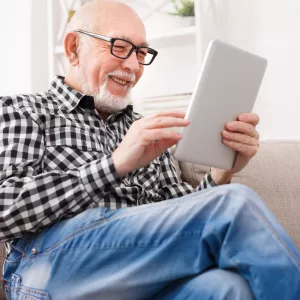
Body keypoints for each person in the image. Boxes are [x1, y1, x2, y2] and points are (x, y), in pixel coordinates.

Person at [0, 0, 299, 299]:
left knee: (227, 288)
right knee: (234, 204)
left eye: (141, 53)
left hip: (139, 271)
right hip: (47, 266)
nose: (132, 65)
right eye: (119, 46)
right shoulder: (24, 110)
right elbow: (5, 208)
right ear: (73, 48)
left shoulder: (148, 130)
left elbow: (182, 215)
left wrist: (220, 174)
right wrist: (114, 164)